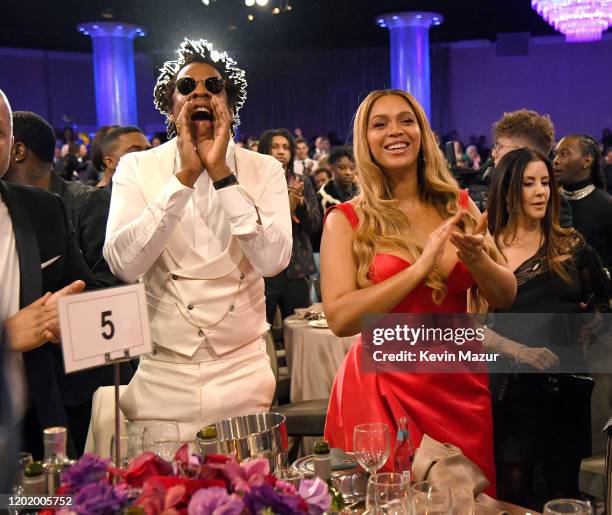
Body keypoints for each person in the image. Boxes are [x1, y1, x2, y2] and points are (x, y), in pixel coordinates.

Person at [322, 89, 516, 493]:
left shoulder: (458, 205)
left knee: (470, 498)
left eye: (406, 120)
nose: (396, 131)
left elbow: (506, 295)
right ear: (366, 141)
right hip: (386, 385)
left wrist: (478, 260)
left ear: (422, 132)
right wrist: (420, 268)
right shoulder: (346, 220)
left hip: (460, 384)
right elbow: (339, 319)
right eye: (381, 124)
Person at [103, 39, 292, 441]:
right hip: (162, 373)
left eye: (214, 85)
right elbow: (124, 264)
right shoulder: (137, 168)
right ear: (171, 106)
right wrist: (183, 178)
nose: (200, 93)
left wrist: (223, 174)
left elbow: (274, 261)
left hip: (243, 371)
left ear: (231, 102)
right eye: (187, 88)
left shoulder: (265, 169)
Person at [486, 147, 609, 507]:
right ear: (508, 191)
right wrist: (520, 351)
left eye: (545, 182)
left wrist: (590, 328)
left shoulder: (572, 245)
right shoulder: (488, 249)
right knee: (514, 486)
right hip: (511, 387)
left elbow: (602, 300)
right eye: (529, 183)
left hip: (566, 383)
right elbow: (468, 324)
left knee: (563, 488)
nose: (541, 191)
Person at [0, 90, 91, 458]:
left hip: (34, 432)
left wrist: (68, 318)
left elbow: (81, 292)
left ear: (11, 145)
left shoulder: (43, 209)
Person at [258, 128, 321, 323]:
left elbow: (315, 225)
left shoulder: (302, 182)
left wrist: (300, 204)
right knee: (261, 329)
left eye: (286, 147)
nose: (280, 152)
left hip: (297, 267)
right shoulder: (255, 181)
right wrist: (286, 206)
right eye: (275, 147)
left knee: (298, 326)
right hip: (263, 269)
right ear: (264, 151)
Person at [491, 108, 572, 228]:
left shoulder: (554, 207)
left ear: (523, 151)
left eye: (500, 147)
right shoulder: (489, 183)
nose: (494, 153)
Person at [554, 134, 612, 272]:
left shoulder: (607, 206)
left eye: (564, 154)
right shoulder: (547, 202)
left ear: (587, 161)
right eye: (556, 154)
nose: (555, 160)